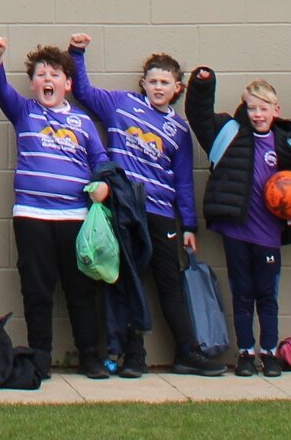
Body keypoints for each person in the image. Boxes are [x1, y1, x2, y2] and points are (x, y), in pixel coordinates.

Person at [68, 33, 223, 377]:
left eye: (165, 82)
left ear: (177, 88)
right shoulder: (120, 104)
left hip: (162, 215)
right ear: (143, 83)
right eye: (152, 81)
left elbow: (183, 181)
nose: (157, 87)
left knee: (170, 286)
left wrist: (189, 225)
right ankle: (134, 357)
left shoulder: (179, 130)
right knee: (127, 283)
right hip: (125, 210)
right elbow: (83, 91)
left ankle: (187, 352)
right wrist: (77, 53)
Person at [0, 37, 110, 379]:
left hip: (76, 218)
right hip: (32, 217)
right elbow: (0, 89)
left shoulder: (83, 122)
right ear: (32, 84)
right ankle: (39, 356)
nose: (47, 79)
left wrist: (103, 183)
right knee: (36, 290)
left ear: (67, 84)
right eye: (41, 74)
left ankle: (89, 355)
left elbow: (100, 159)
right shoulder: (24, 111)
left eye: (55, 74)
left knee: (81, 290)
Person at [184, 67, 291, 377]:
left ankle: (270, 353)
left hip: (269, 234)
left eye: (264, 108)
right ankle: (246, 354)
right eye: (252, 108)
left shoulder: (286, 144)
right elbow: (198, 115)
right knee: (242, 294)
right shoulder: (228, 132)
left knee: (267, 296)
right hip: (236, 230)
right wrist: (202, 83)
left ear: (276, 110)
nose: (257, 114)